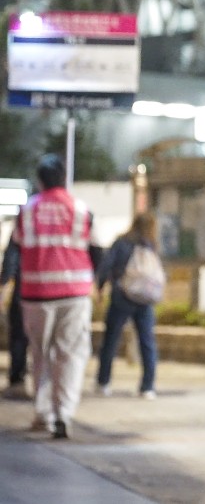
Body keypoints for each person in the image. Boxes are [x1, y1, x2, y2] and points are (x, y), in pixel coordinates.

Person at [10, 154, 102, 439]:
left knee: (41, 354)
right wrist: (95, 282)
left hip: (35, 294)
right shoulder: (80, 209)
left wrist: (6, 283)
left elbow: (12, 251)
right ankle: (64, 413)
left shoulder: (27, 210)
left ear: (39, 180)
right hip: (74, 294)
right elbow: (98, 250)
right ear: (64, 178)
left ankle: (43, 414)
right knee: (71, 354)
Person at [95, 212, 161, 399]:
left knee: (111, 340)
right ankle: (147, 386)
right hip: (145, 299)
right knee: (147, 342)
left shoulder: (122, 242)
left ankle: (103, 382)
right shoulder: (150, 244)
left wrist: (100, 287)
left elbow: (106, 265)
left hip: (121, 296)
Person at [1, 232, 31, 400]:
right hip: (62, 290)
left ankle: (17, 380)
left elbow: (11, 256)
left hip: (26, 287)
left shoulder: (26, 219)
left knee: (19, 336)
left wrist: (5, 282)